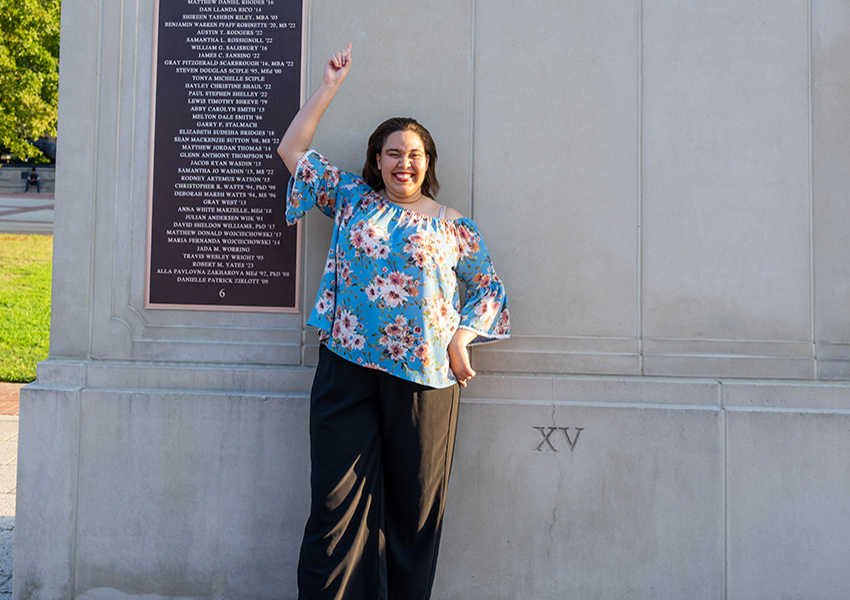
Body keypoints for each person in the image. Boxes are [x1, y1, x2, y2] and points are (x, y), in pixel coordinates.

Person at [278, 43, 510, 600]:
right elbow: (292, 148)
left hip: (425, 378)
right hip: (346, 368)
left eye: (414, 154)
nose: (403, 163)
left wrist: (462, 339)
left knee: (412, 518)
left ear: (428, 163)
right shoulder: (353, 199)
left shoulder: (456, 227)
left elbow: (491, 290)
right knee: (335, 508)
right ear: (376, 161)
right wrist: (330, 86)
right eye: (392, 153)